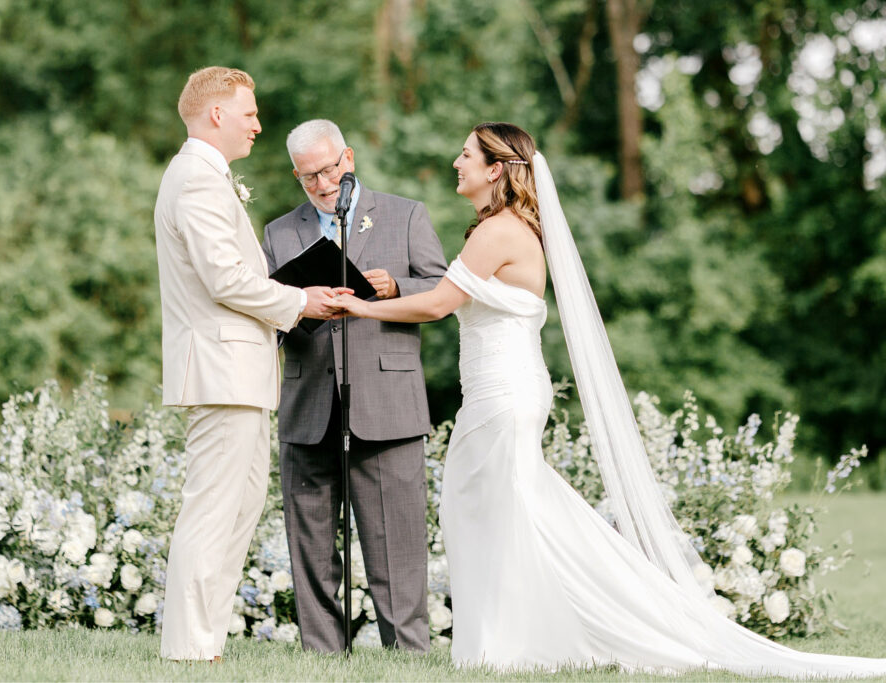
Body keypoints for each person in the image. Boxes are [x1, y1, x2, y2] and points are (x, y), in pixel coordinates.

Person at [331, 122, 886, 676]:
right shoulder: (510, 227)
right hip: (504, 390)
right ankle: (505, 643)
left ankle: (507, 645)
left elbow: (438, 306)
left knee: (491, 508)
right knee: (505, 510)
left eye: (467, 153)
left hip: (502, 394)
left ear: (496, 168)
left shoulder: (497, 231)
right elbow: (449, 295)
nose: (457, 161)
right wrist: (394, 289)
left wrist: (358, 308)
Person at [153, 67, 343, 662]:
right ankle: (188, 647)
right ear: (216, 115)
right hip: (220, 368)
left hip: (236, 370)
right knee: (214, 508)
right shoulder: (196, 180)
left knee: (237, 508)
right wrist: (299, 300)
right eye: (249, 112)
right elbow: (224, 279)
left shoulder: (208, 177)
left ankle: (204, 641)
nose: (259, 124)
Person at [261, 119, 447, 653]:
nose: (320, 184)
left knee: (397, 546)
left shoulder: (405, 214)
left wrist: (395, 287)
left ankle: (408, 656)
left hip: (387, 403)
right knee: (312, 546)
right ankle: (323, 657)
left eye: (326, 170)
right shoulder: (278, 232)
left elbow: (443, 290)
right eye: (306, 177)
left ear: (348, 158)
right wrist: (297, 308)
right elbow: (263, 312)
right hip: (308, 403)